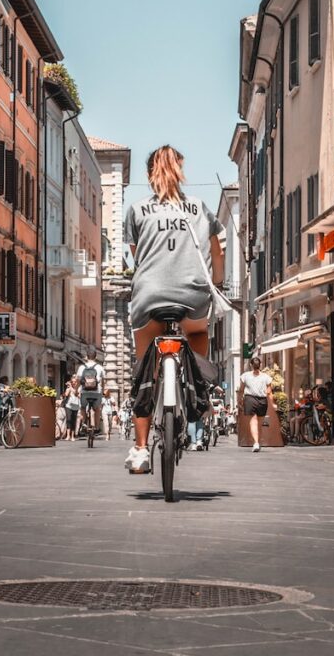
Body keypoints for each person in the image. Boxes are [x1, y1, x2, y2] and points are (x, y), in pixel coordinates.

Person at [122, 145, 225, 473]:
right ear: (181, 171)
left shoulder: (137, 210)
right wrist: (217, 284)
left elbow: (137, 257)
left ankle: (139, 449)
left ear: (148, 175)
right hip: (193, 295)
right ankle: (200, 391)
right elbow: (216, 250)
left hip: (149, 295)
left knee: (143, 371)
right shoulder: (199, 208)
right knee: (197, 333)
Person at [238, 356, 273, 452]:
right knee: (259, 423)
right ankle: (257, 442)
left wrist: (239, 400)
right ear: (260, 365)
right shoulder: (266, 377)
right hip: (262, 400)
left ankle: (256, 442)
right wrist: (273, 404)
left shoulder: (245, 376)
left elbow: (241, 390)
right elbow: (269, 392)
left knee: (253, 421)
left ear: (250, 365)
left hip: (250, 399)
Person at [76, 345, 105, 434]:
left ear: (86, 357)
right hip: (96, 392)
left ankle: (84, 423)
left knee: (83, 407)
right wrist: (102, 390)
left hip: (85, 391)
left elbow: (78, 380)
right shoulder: (100, 367)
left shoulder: (82, 367)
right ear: (95, 357)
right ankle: (96, 427)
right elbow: (103, 381)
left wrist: (77, 389)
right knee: (97, 409)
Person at [63, 375, 80, 440]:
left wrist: (72, 389)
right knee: (69, 420)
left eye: (75, 382)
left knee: (74, 421)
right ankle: (68, 436)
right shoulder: (69, 388)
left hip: (75, 406)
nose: (74, 383)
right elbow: (66, 394)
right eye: (72, 382)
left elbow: (77, 394)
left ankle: (72, 436)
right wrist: (69, 388)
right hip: (68, 406)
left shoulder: (79, 389)